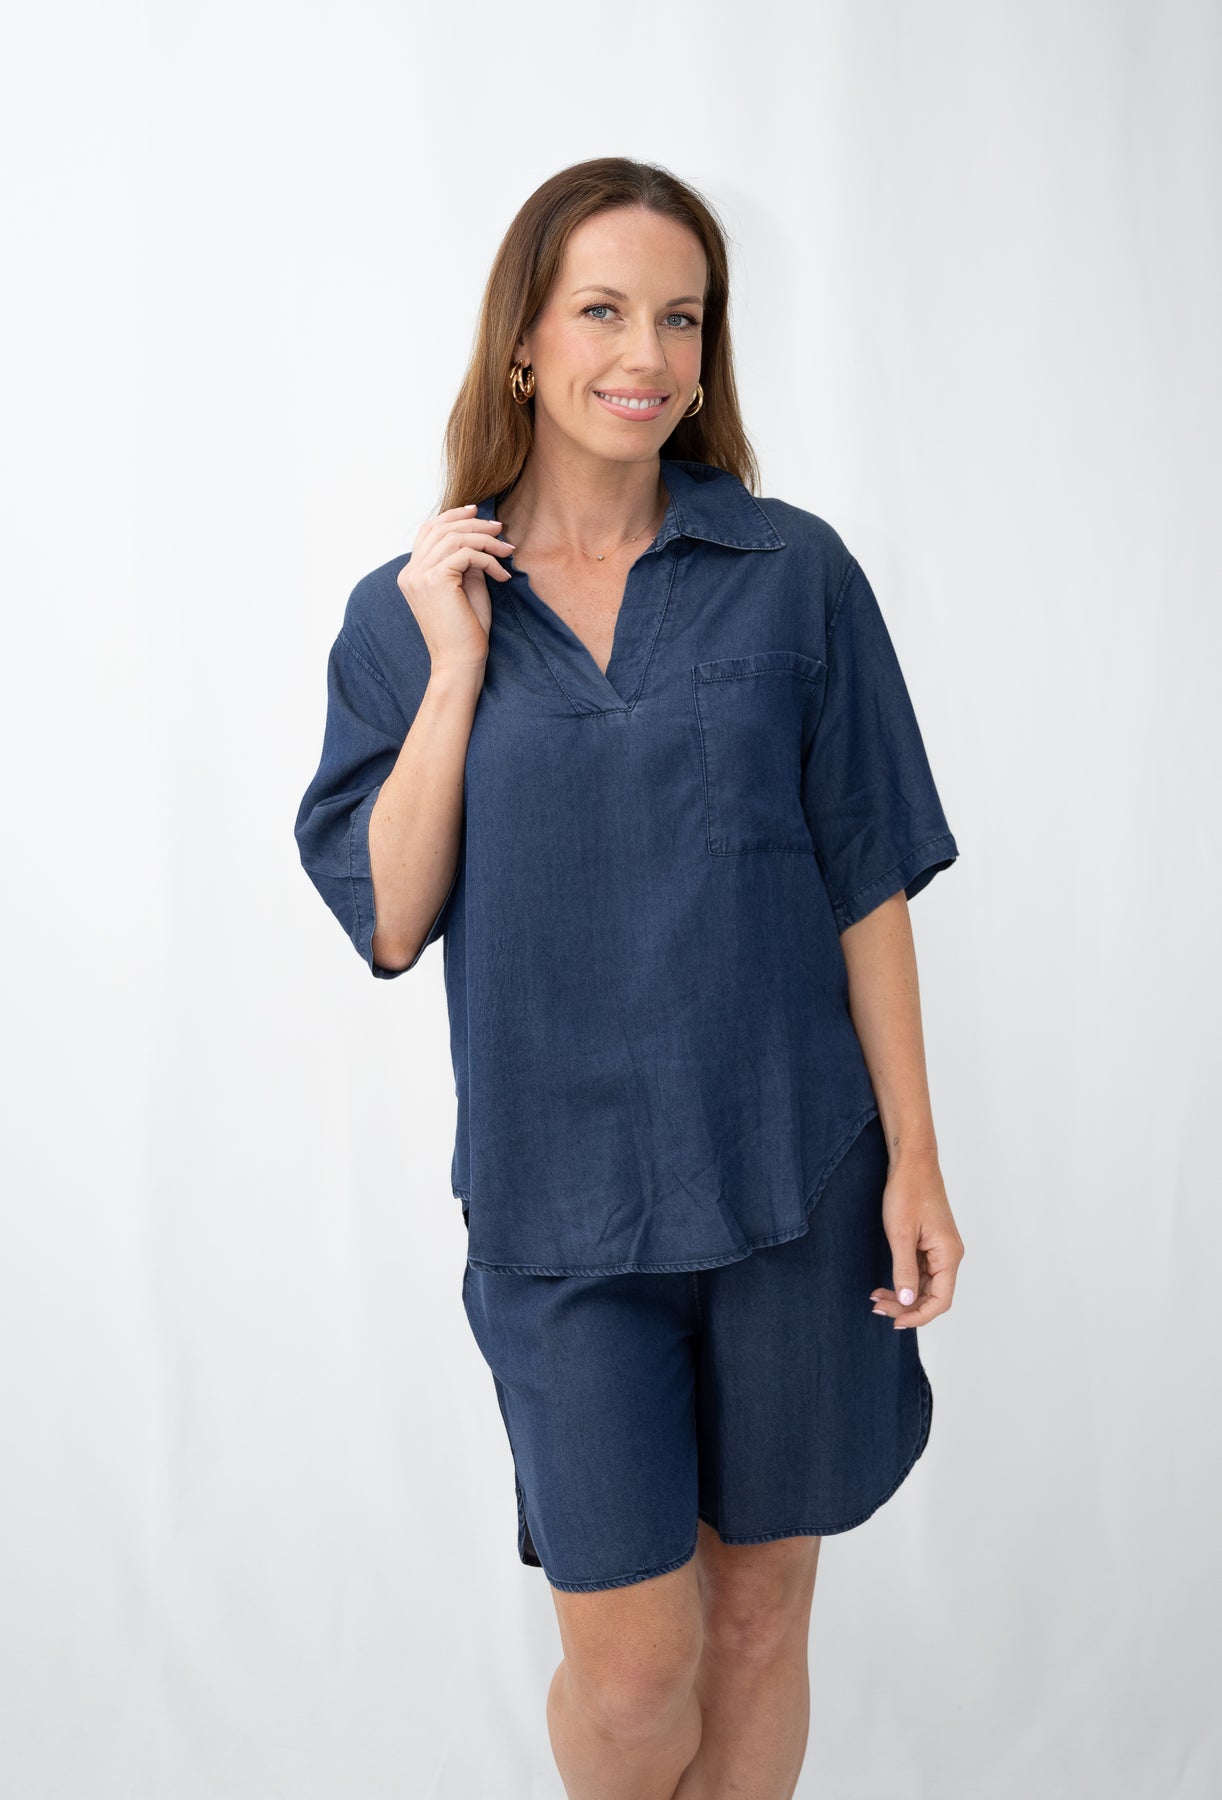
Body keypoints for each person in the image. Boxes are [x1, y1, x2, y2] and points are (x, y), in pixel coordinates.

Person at [295, 155, 966, 1800]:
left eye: (681, 317)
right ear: (523, 342)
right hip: (561, 1212)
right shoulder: (409, 616)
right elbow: (390, 919)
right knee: (633, 1670)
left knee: (755, 1621)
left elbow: (866, 881)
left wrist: (917, 1159)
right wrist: (454, 671)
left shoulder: (792, 573)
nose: (645, 354)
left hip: (797, 1181)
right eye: (601, 310)